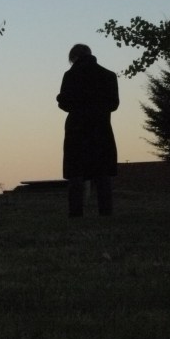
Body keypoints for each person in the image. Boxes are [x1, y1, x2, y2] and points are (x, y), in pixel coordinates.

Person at [57, 44, 119, 217]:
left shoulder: (70, 75)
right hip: (101, 127)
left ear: (73, 57)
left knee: (76, 173)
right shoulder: (108, 75)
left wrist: (61, 99)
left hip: (77, 128)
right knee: (102, 173)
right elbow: (114, 104)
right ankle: (106, 213)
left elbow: (65, 103)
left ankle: (76, 214)